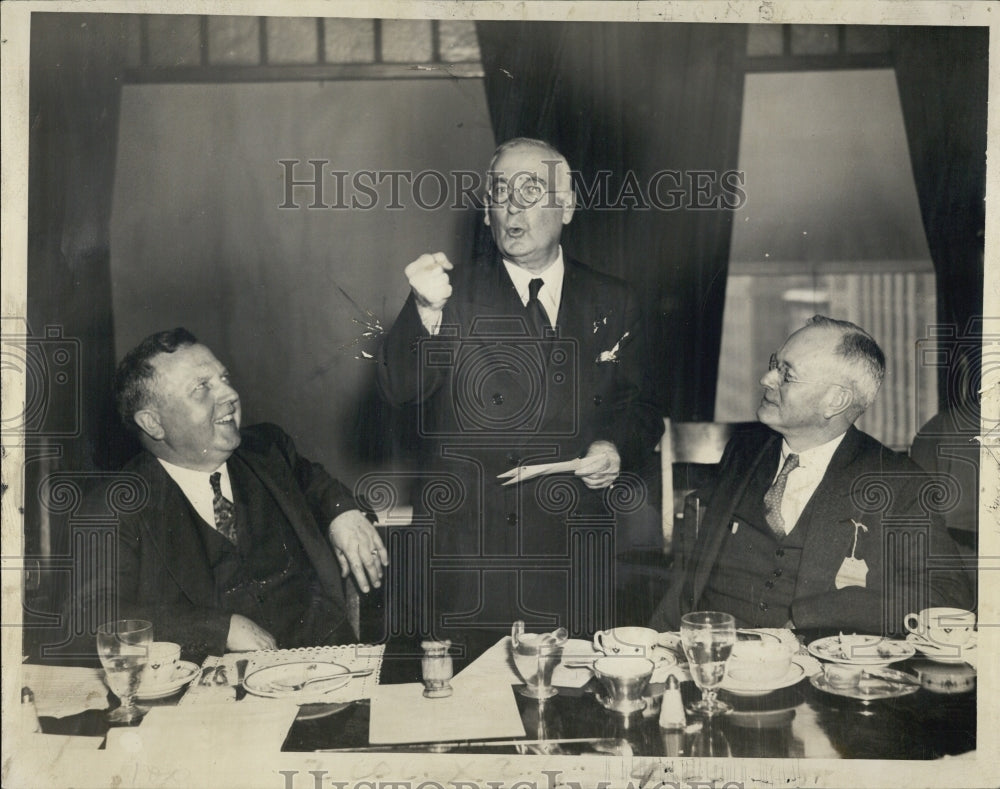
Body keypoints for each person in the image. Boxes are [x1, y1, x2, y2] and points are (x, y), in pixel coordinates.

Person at [377, 138, 663, 657]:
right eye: (499, 192)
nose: (511, 206)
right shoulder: (449, 295)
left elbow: (641, 407)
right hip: (467, 567)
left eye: (530, 190)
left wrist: (614, 447)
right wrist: (424, 310)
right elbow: (401, 388)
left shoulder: (614, 299)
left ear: (567, 205)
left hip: (575, 563)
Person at [650, 316, 972, 635]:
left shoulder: (897, 482)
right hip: (712, 650)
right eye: (774, 364)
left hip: (811, 663)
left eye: (787, 374)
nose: (766, 379)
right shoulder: (743, 451)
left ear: (835, 401)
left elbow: (947, 595)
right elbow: (692, 578)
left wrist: (822, 612)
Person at [91, 328, 387, 660]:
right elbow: (89, 617)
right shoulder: (116, 506)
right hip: (210, 686)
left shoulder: (268, 450)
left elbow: (315, 483)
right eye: (202, 387)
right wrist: (219, 629)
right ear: (153, 423)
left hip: (326, 665)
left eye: (224, 379)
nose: (230, 394)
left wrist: (343, 513)